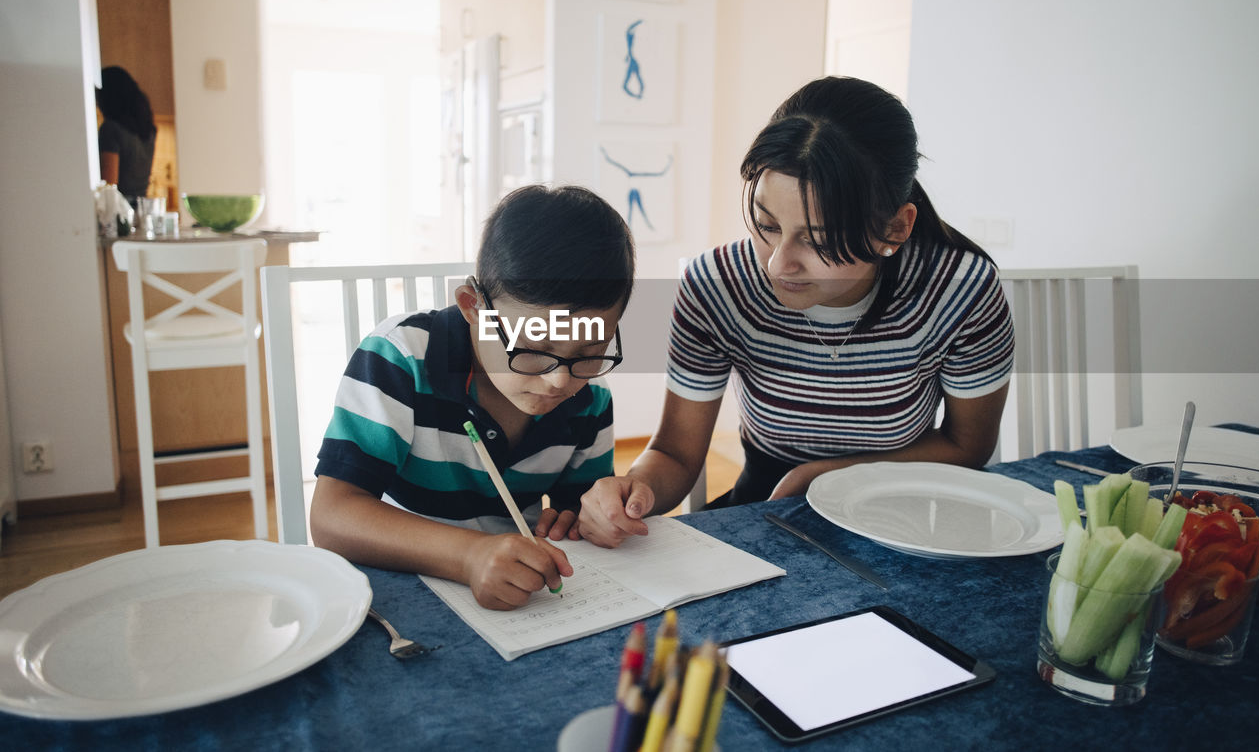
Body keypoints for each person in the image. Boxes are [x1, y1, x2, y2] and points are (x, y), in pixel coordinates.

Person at [575, 76, 1015, 548]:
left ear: (895, 227)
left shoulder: (960, 290)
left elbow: (968, 446)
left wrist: (827, 475)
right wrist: (632, 490)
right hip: (767, 505)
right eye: (766, 224)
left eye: (819, 240)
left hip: (904, 519)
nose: (778, 262)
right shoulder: (717, 286)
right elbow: (675, 453)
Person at [310, 185, 635, 610]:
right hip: (398, 592)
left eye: (590, 352)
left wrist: (593, 514)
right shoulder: (401, 359)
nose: (560, 381)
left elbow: (575, 508)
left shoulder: (587, 394)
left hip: (521, 598)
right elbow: (332, 516)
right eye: (534, 351)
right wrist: (470, 555)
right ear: (472, 307)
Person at [96, 65, 157, 208]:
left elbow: (109, 186)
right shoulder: (148, 130)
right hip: (142, 209)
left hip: (121, 212)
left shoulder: (111, 129)